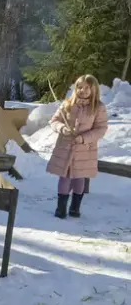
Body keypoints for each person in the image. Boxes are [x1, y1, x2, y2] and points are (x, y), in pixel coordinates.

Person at [47, 74, 108, 220]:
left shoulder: (98, 107)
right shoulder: (67, 104)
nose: (83, 90)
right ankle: (60, 208)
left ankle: (75, 207)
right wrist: (62, 128)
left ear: (94, 90)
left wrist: (83, 138)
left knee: (79, 177)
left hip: (84, 149)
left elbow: (101, 129)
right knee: (65, 176)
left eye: (87, 87)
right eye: (80, 87)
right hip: (66, 147)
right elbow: (54, 121)